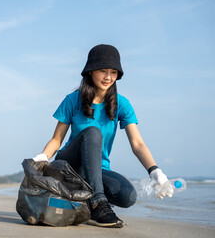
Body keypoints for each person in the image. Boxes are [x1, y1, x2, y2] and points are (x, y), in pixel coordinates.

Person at [32, 44, 173, 228]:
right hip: (70, 166)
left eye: (113, 72)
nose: (108, 77)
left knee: (127, 196)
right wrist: (42, 158)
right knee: (92, 132)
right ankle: (98, 203)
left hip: (97, 170)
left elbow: (137, 143)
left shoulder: (122, 104)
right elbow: (57, 139)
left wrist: (154, 171)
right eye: (103, 71)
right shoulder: (72, 100)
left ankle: (87, 205)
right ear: (91, 71)